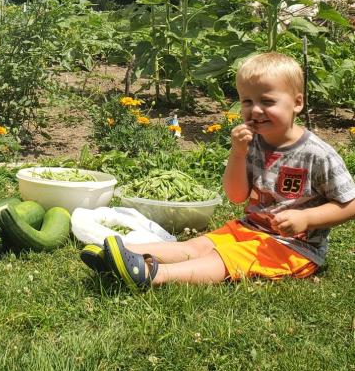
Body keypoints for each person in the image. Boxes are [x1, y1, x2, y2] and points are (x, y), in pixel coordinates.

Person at [81, 52, 355, 289]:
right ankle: (124, 253)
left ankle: (153, 275)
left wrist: (307, 218)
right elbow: (236, 196)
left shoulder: (318, 155)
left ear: (297, 103)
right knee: (197, 246)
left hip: (293, 247)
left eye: (267, 101)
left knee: (222, 260)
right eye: (247, 101)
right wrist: (238, 153)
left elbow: (350, 204)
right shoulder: (253, 143)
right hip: (250, 229)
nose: (255, 109)